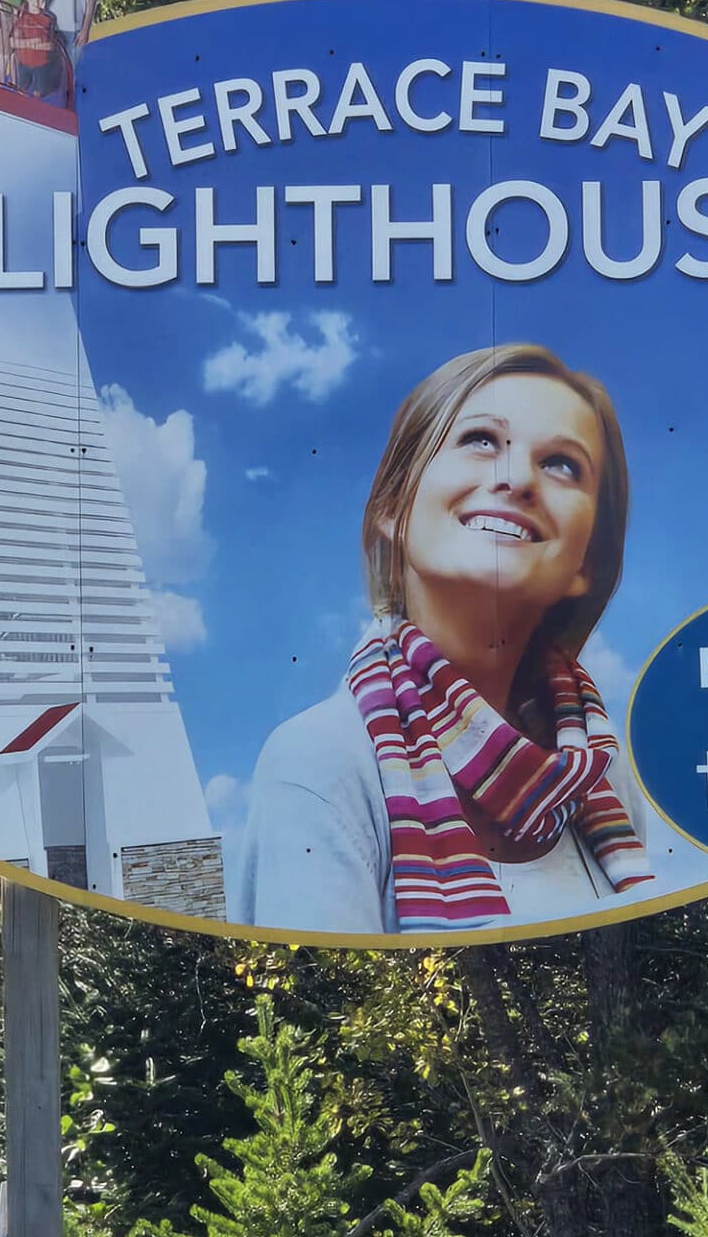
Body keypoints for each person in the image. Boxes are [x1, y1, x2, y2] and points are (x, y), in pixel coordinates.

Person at [232, 345, 653, 935]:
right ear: (391, 505)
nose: (515, 477)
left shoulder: (599, 772)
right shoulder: (320, 764)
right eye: (482, 439)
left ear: (587, 561)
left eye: (561, 464)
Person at [11, 0, 59, 99]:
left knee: (39, 92)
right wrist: (33, 43)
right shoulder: (20, 16)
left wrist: (31, 45)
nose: (36, 1)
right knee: (21, 90)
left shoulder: (49, 19)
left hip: (41, 64)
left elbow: (51, 46)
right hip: (23, 62)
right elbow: (12, 42)